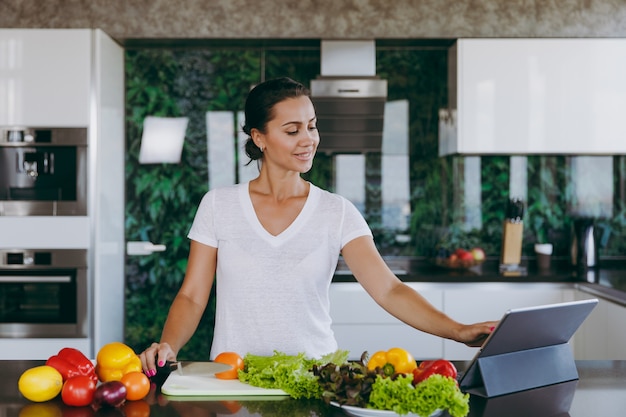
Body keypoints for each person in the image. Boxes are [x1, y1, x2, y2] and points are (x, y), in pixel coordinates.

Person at [139, 77, 497, 377]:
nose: (308, 138)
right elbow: (192, 295)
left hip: (316, 378)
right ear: (259, 137)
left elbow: (389, 290)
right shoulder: (219, 205)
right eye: (292, 130)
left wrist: (458, 331)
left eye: (311, 126)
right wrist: (169, 345)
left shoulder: (335, 211)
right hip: (235, 379)